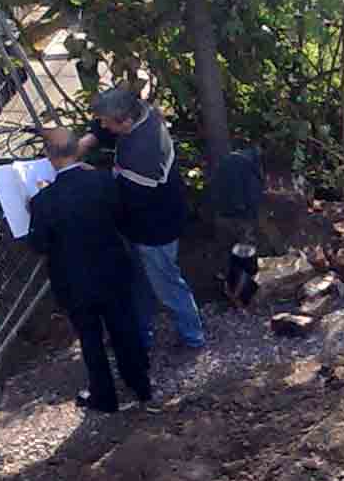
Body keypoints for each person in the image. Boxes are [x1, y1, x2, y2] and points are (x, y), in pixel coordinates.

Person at [25, 128, 154, 413]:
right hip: (113, 269)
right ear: (76, 149)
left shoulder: (43, 201)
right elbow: (121, 216)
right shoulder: (103, 180)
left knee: (90, 338)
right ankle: (140, 384)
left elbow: (39, 244)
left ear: (49, 156)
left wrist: (31, 209)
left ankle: (104, 396)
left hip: (74, 281)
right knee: (124, 327)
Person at [86, 87, 208, 348]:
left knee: (166, 284)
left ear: (126, 122)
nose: (102, 126)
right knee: (140, 279)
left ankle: (192, 336)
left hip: (154, 230)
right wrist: (89, 140)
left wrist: (86, 176)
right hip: (144, 223)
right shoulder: (144, 113)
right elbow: (107, 128)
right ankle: (141, 332)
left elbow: (120, 192)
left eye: (106, 122)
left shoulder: (141, 154)